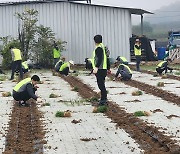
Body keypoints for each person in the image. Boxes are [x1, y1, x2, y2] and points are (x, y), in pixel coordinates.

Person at [92, 35, 107, 106]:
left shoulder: (98, 48)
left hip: (100, 69)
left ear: (95, 41)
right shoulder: (102, 47)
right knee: (102, 84)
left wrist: (96, 67)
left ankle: (103, 100)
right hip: (103, 68)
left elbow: (100, 58)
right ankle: (103, 99)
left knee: (101, 85)